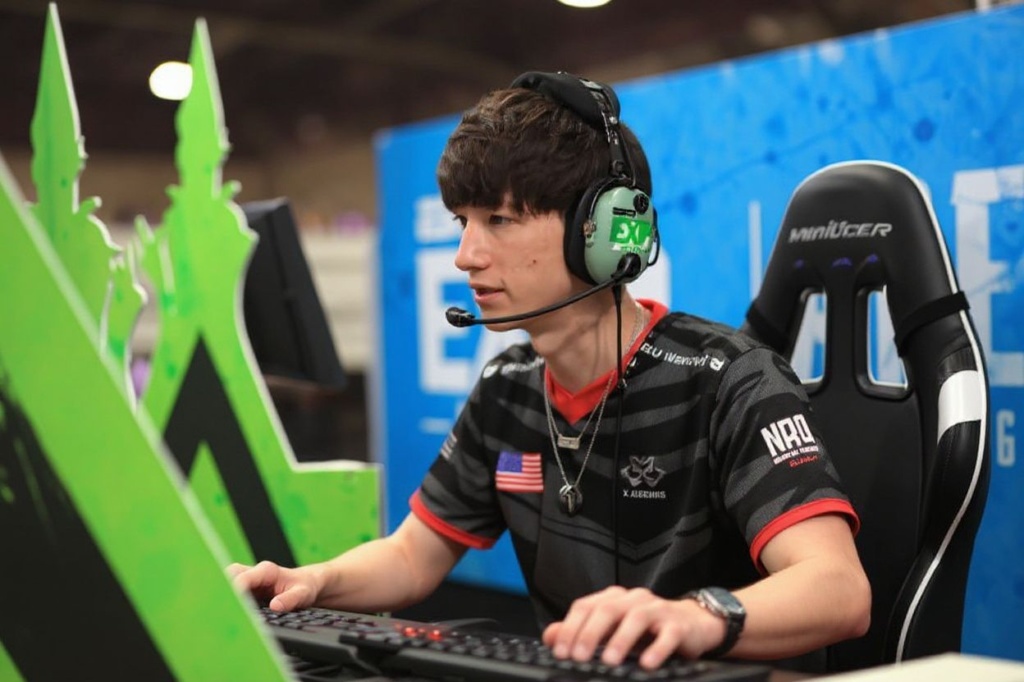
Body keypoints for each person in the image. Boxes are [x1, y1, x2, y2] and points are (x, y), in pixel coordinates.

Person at [231, 71, 871, 671]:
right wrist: (311, 582)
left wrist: (695, 618)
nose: (464, 256)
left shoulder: (729, 380)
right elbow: (411, 557)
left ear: (605, 234)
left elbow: (840, 590)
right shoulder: (507, 387)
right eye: (463, 223)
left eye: (499, 222)